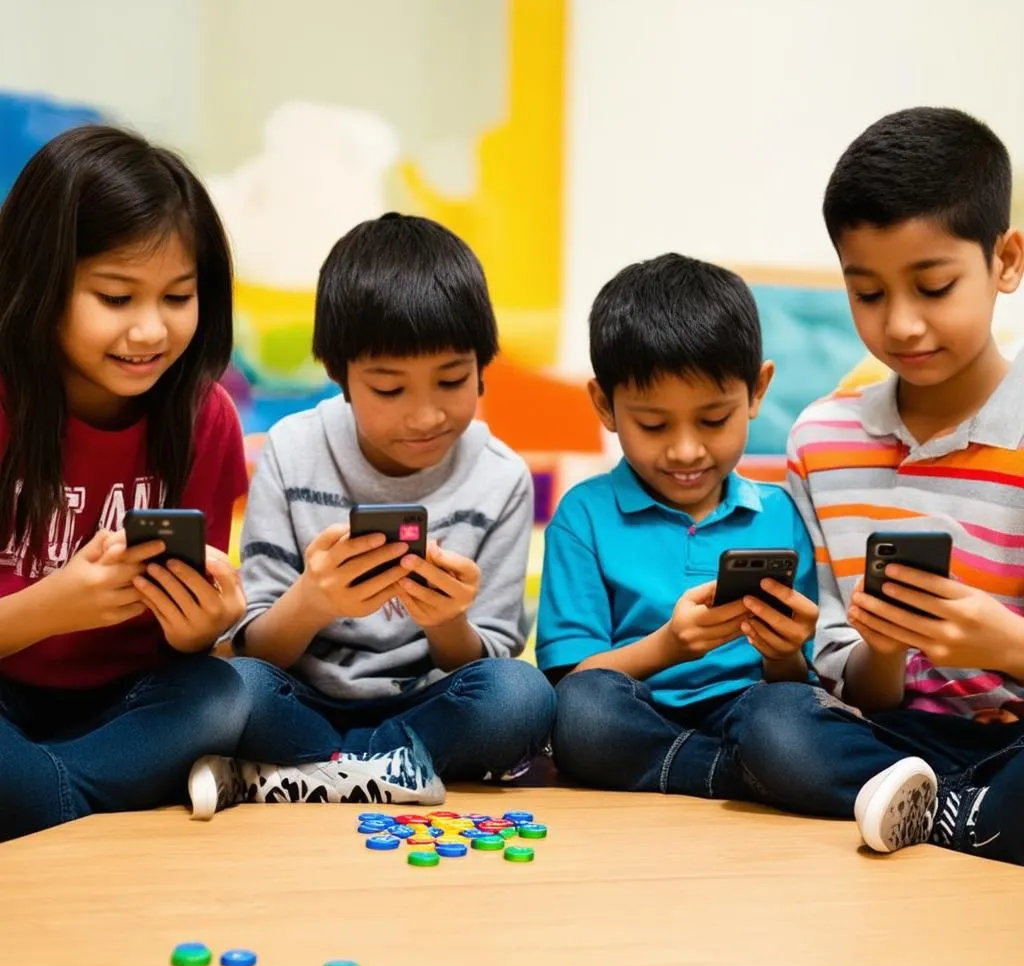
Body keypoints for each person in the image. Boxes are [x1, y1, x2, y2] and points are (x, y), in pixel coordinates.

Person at [188, 214, 555, 816]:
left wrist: (446, 621)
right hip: (300, 698)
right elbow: (253, 649)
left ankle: (305, 776)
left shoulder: (501, 477)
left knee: (523, 696)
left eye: (453, 380)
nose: (425, 415)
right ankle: (390, 770)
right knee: (225, 688)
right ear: (340, 377)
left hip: (428, 706)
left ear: (482, 365)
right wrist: (315, 600)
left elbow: (488, 662)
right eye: (390, 389)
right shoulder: (292, 449)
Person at [741, 107, 1024, 865]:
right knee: (773, 721)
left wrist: (1007, 644)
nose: (901, 325)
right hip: (892, 737)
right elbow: (857, 689)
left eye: (933, 287)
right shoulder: (822, 441)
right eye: (868, 294)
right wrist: (884, 651)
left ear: (1006, 261)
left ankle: (947, 810)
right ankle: (969, 817)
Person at [0, 124, 253, 842]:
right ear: (38, 281)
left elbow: (185, 654)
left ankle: (38, 803)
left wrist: (202, 628)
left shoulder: (205, 419)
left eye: (178, 297)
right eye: (115, 298)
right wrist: (51, 607)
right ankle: (75, 803)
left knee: (223, 696)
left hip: (122, 704)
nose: (150, 331)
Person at [539, 253, 822, 799]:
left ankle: (729, 769)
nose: (686, 450)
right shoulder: (584, 516)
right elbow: (571, 684)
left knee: (787, 715)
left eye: (714, 420)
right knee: (583, 716)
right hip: (634, 709)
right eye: (652, 424)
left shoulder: (783, 514)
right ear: (605, 405)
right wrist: (668, 646)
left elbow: (798, 683)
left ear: (757, 391)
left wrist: (784, 651)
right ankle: (735, 775)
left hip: (752, 711)